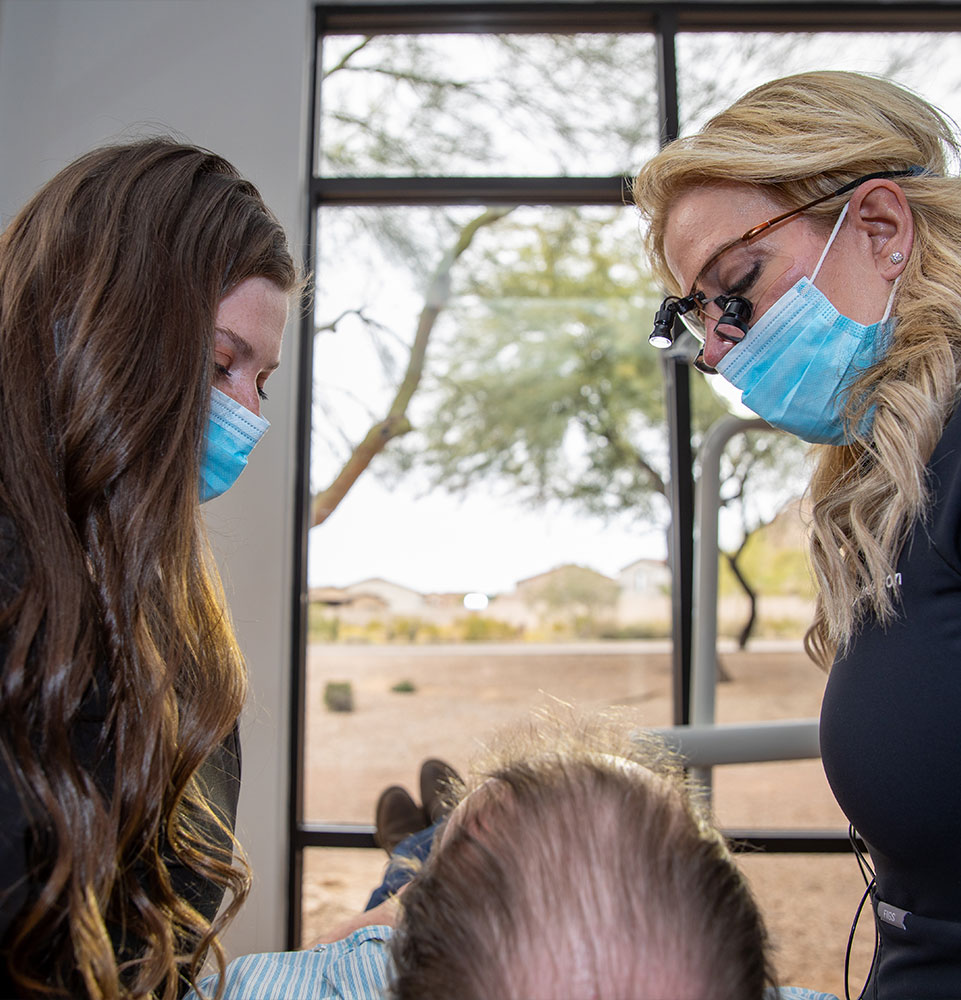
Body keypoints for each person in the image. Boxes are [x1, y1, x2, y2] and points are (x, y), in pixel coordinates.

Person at [634, 70, 961, 999]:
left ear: (880, 229)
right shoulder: (897, 486)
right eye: (695, 318)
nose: (721, 347)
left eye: (736, 286)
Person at [0, 139, 298, 999]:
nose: (246, 413)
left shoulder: (152, 603)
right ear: (89, 324)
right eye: (219, 365)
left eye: (261, 383)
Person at [186, 712, 777, 1000]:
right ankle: (432, 838)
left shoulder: (296, 982)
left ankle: (417, 853)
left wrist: (386, 917)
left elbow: (314, 972)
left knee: (412, 877)